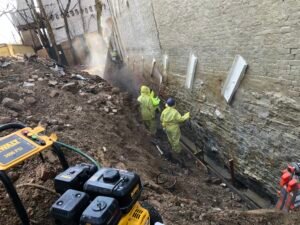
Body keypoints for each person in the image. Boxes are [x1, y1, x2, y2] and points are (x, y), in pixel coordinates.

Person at [160, 98, 190, 165]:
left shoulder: (164, 111)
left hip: (167, 127)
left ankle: (173, 146)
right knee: (176, 139)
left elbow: (161, 119)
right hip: (174, 128)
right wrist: (187, 115)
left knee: (170, 138)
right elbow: (180, 119)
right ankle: (177, 151)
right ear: (174, 104)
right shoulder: (175, 112)